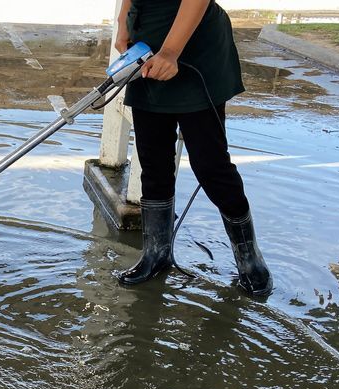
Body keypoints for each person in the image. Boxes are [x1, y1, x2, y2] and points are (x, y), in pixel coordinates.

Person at [114, 0, 272, 297]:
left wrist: (171, 51)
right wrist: (124, 20)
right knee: (152, 160)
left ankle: (249, 259)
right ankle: (155, 254)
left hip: (193, 47)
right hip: (147, 43)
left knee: (210, 166)